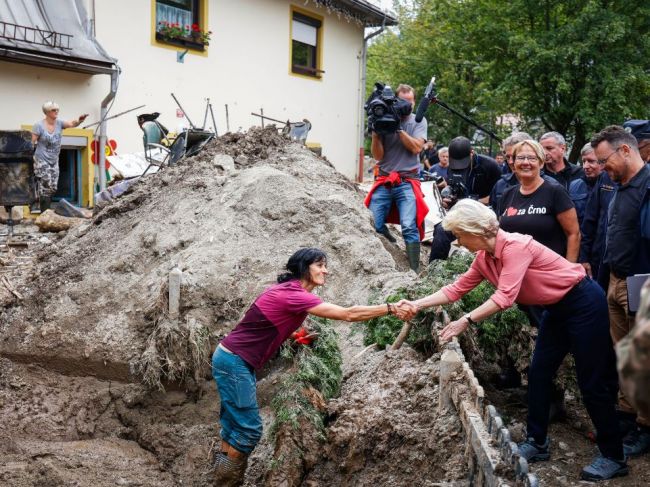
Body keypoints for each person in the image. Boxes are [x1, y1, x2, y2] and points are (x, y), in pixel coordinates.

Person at [398, 199, 625, 481]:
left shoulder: (516, 247)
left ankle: (614, 455)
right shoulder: (485, 258)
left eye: (459, 235)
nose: (458, 241)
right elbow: (456, 289)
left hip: (583, 303)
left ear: (475, 230)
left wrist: (465, 321)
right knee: (539, 373)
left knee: (591, 381)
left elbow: (505, 297)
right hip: (556, 309)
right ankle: (537, 441)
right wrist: (417, 303)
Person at [211, 248, 410, 484]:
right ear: (304, 268)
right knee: (248, 430)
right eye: (320, 265)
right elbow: (347, 314)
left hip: (231, 357)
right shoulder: (296, 295)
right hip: (235, 362)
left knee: (234, 425)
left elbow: (262, 324)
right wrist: (390, 307)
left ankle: (222, 474)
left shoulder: (287, 292)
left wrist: (294, 335)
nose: (326, 270)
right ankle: (226, 482)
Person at [591, 125, 650, 457]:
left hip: (641, 282)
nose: (602, 168)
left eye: (604, 160)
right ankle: (627, 415)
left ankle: (645, 426)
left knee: (642, 359)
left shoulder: (648, 186)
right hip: (615, 280)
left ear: (626, 150)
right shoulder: (617, 188)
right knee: (624, 356)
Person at [365, 84, 429, 272]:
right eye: (403, 101)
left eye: (411, 101)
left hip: (407, 181)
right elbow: (377, 156)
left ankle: (414, 271)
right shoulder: (381, 116)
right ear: (395, 100)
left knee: (409, 226)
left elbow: (417, 148)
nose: (407, 105)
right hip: (385, 179)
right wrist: (376, 135)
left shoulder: (418, 121)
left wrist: (398, 128)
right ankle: (379, 263)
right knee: (372, 224)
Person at [498, 140, 580, 262]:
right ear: (513, 163)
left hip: (550, 271)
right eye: (520, 158)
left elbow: (574, 234)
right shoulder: (507, 194)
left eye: (532, 158)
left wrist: (569, 269)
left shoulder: (555, 191)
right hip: (514, 269)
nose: (526, 162)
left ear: (541, 163)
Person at [429, 136, 501, 262]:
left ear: (472, 153)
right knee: (441, 229)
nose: (459, 166)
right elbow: (453, 188)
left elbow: (498, 195)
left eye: (462, 161)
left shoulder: (490, 166)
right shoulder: (452, 166)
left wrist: (471, 202)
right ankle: (433, 269)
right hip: (461, 210)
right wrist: (448, 200)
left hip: (487, 213)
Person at [31, 101, 88, 212]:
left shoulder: (59, 123)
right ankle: (45, 213)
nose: (56, 111)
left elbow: (72, 124)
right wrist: (29, 159)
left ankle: (41, 201)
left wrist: (80, 120)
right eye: (53, 110)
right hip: (42, 159)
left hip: (54, 160)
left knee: (53, 187)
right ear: (47, 112)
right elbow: (31, 142)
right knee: (46, 186)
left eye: (57, 109)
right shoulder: (39, 126)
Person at [539, 131, 589, 222]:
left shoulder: (581, 174)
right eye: (541, 150)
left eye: (549, 148)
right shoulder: (537, 177)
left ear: (562, 148)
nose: (545, 153)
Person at [488, 132, 533, 211]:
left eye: (516, 156)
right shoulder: (500, 185)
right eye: (508, 157)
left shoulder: (549, 186)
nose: (510, 162)